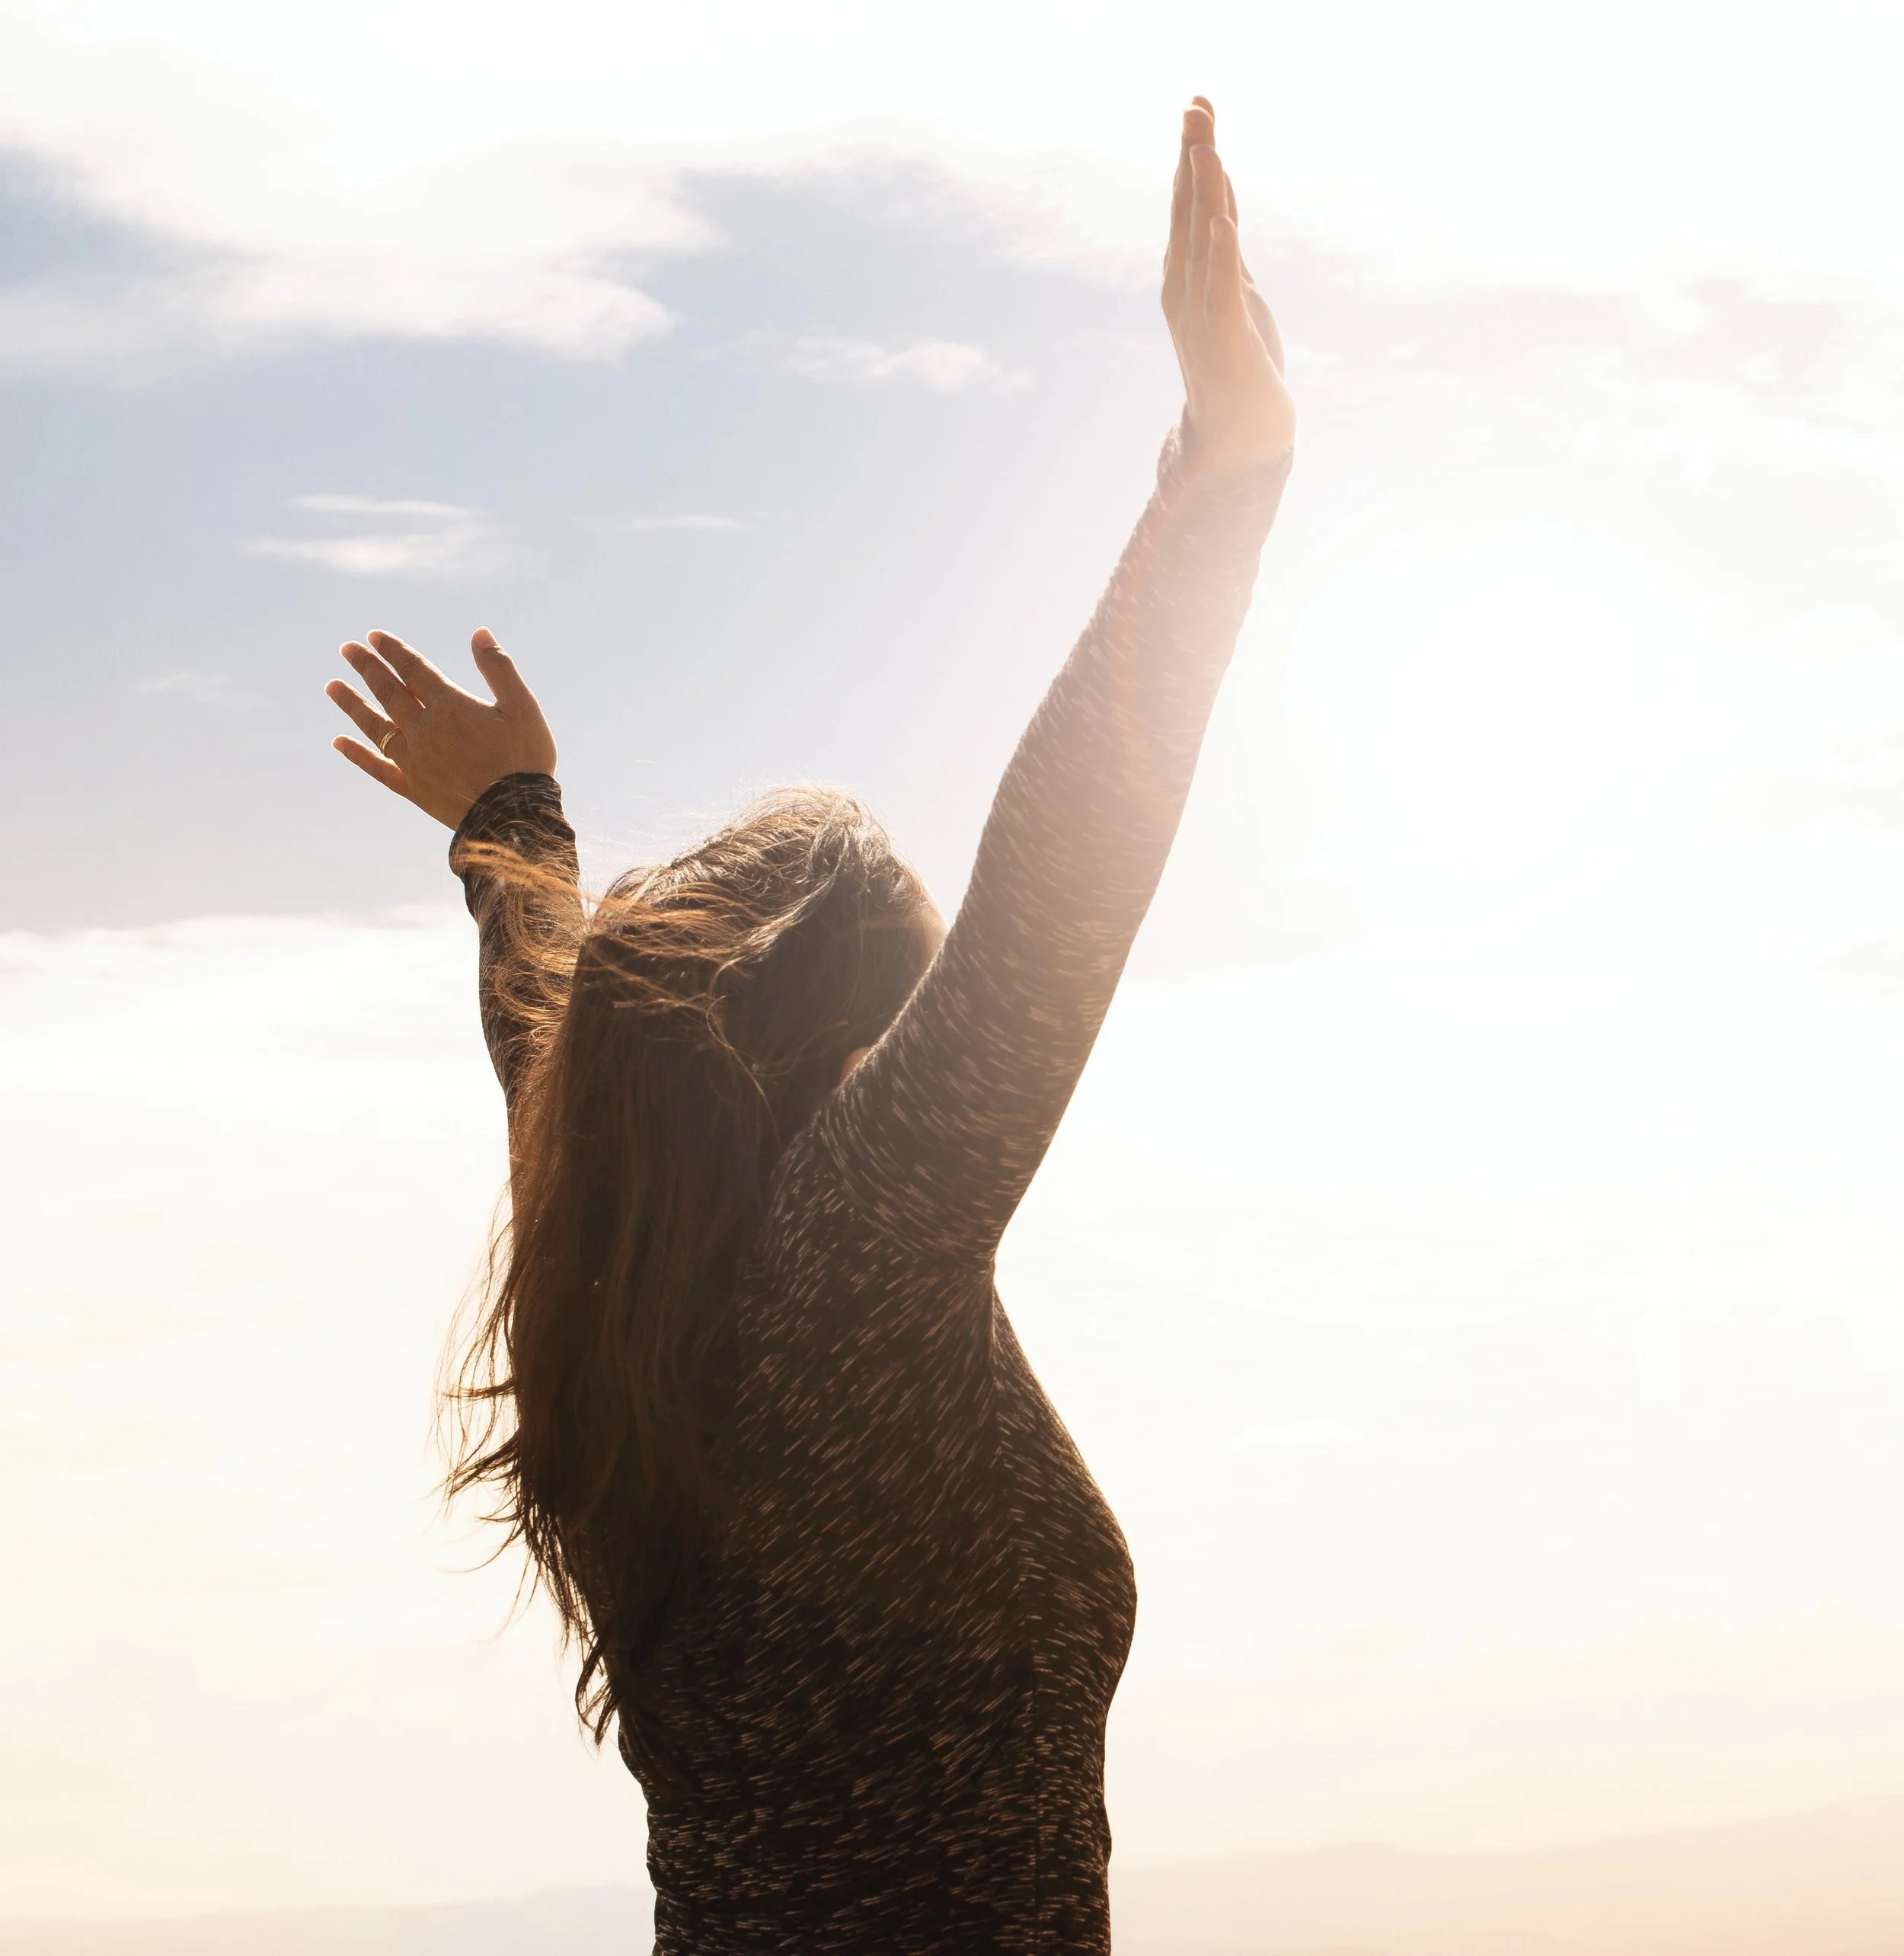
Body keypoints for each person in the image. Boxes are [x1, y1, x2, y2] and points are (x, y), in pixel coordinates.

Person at [323, 97, 1294, 1956]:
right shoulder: (844, 1269)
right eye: (906, 1028)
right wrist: (1220, 477)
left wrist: (512, 828)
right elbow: (1055, 888)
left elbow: (550, 1045)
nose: (924, 1066)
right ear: (844, 1041)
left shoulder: (619, 1280)